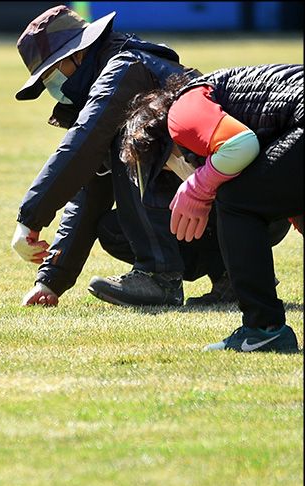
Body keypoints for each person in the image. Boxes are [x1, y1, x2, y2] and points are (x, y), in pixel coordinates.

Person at [10, 5, 227, 308]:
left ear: (79, 53)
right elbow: (88, 189)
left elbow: (84, 143)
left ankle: (159, 276)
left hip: (234, 201)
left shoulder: (125, 67)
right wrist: (51, 280)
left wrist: (30, 218)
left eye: (52, 74)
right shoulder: (119, 71)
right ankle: (232, 276)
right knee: (113, 229)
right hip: (228, 207)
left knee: (131, 142)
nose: (51, 88)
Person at [118, 64, 303, 352]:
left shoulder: (180, 112)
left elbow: (240, 145)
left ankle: (263, 328)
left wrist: (199, 187)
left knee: (236, 200)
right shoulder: (223, 99)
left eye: (165, 172)